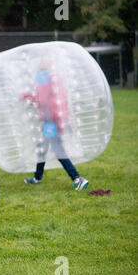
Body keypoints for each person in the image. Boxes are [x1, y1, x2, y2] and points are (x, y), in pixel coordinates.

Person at [22, 58, 89, 191]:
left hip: (49, 121)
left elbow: (42, 100)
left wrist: (28, 98)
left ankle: (77, 178)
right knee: (42, 148)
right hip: (56, 118)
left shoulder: (44, 79)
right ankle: (37, 177)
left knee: (58, 149)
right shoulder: (55, 78)